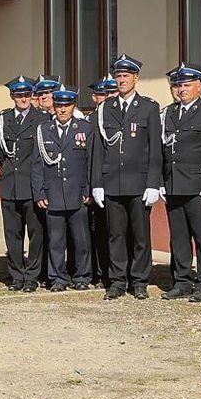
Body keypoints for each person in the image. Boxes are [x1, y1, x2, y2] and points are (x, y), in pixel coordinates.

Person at [91, 55, 162, 301]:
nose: (121, 80)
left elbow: (155, 149)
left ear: (136, 78)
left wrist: (154, 183)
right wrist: (97, 183)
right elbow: (98, 149)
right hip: (112, 182)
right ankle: (117, 280)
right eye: (118, 76)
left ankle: (140, 280)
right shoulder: (104, 109)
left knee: (140, 235)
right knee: (116, 234)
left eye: (126, 76)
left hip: (139, 183)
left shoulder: (149, 107)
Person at [160, 64, 201, 303]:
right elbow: (162, 149)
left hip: (198, 186)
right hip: (174, 183)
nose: (181, 90)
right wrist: (160, 182)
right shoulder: (169, 113)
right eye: (178, 85)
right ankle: (181, 280)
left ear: (199, 86)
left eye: (187, 85)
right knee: (178, 237)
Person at [32, 86, 93, 291]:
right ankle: (57, 278)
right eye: (59, 106)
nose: (63, 110)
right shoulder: (43, 130)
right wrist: (39, 191)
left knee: (81, 240)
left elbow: (90, 162)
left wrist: (89, 189)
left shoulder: (84, 129)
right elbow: (37, 164)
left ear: (73, 106)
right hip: (53, 193)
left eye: (67, 106)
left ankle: (82, 277)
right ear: (54, 107)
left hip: (78, 193)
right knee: (56, 242)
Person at [0, 75, 49, 293]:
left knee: (36, 234)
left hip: (31, 186)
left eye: (27, 95)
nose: (23, 99)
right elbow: (1, 153)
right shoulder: (4, 119)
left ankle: (32, 276)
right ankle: (16, 274)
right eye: (19, 95)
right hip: (10, 184)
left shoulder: (42, 119)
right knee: (12, 234)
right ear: (12, 96)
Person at [86, 75, 118, 286]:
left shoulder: (121, 114)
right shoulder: (93, 118)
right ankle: (102, 273)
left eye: (111, 92)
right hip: (99, 181)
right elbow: (89, 154)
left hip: (118, 180)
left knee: (121, 232)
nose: (108, 96)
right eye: (104, 93)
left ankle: (125, 274)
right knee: (100, 231)